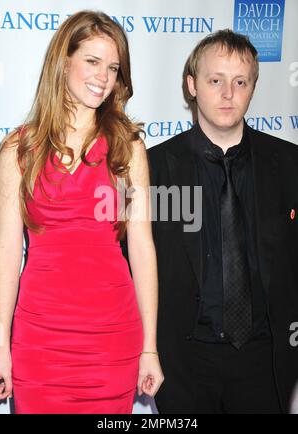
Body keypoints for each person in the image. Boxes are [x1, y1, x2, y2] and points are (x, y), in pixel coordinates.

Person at [0, 10, 163, 414]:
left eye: (113, 68)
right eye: (92, 62)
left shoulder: (128, 147)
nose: (103, 78)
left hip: (112, 337)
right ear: (64, 61)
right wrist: (0, 342)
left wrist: (150, 347)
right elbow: (4, 252)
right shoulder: (17, 150)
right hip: (39, 338)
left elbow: (142, 249)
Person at [148, 29, 298, 414]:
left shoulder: (289, 164)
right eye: (215, 80)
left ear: (253, 88)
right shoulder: (152, 168)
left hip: (266, 362)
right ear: (192, 85)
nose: (228, 93)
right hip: (183, 363)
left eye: (240, 81)